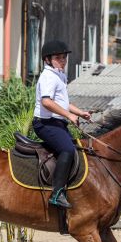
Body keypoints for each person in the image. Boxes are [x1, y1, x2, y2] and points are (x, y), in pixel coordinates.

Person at [32, 40, 91, 209]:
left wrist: (80, 113)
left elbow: (63, 103)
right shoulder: (49, 77)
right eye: (58, 58)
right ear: (47, 60)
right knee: (67, 149)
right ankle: (56, 194)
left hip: (56, 122)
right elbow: (47, 102)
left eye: (64, 57)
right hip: (45, 123)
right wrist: (68, 115)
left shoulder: (59, 75)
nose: (63, 60)